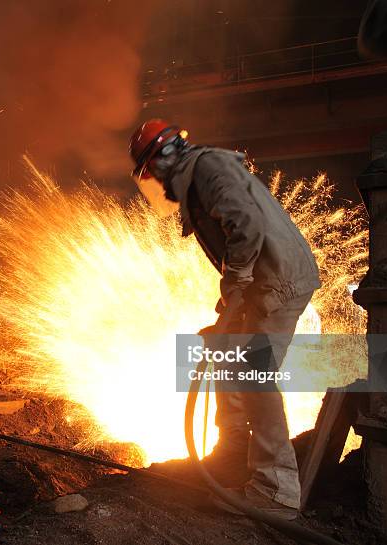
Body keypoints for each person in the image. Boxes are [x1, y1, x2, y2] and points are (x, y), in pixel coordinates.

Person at [128, 120, 321, 519]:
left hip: (278, 280)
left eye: (151, 173)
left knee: (253, 372)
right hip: (265, 280)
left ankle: (277, 490)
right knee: (225, 349)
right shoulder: (200, 175)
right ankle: (233, 449)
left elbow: (245, 225)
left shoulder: (208, 168)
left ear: (164, 157)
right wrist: (233, 295)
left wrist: (237, 280)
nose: (156, 183)